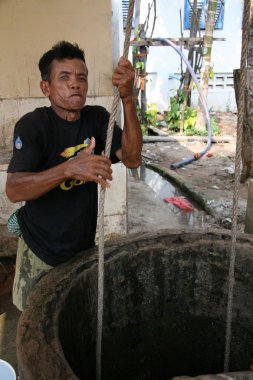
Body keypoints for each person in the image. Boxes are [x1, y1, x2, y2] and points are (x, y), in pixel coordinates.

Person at [5, 41, 142, 312]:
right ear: (46, 87)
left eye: (81, 77)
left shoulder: (98, 118)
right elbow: (14, 189)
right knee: (34, 323)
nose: (75, 84)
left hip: (81, 248)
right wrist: (69, 168)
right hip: (40, 249)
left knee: (72, 318)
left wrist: (128, 99)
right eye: (64, 77)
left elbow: (133, 158)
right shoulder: (34, 125)